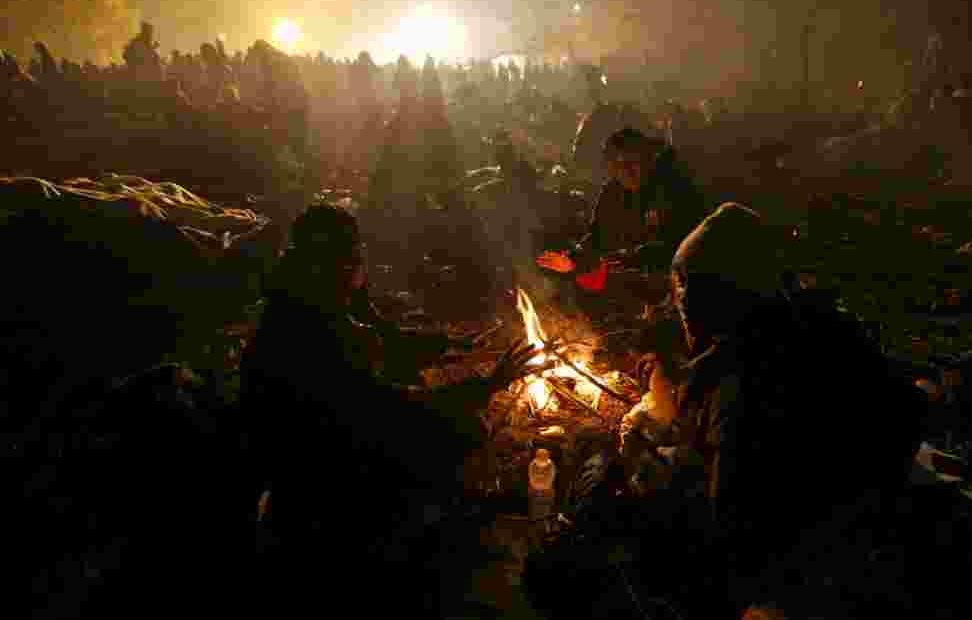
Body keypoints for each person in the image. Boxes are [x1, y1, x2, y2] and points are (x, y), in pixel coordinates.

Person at [524, 203, 928, 619]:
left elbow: (731, 528)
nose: (681, 305)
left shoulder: (741, 382)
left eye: (686, 291)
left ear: (713, 295)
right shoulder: (820, 324)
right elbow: (909, 408)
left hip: (778, 566)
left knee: (600, 452)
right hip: (857, 518)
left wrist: (642, 452)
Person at [240, 203, 547, 613]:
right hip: (317, 469)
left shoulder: (306, 292)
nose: (358, 261)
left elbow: (379, 339)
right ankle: (407, 537)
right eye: (352, 252)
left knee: (445, 414)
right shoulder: (309, 322)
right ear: (333, 257)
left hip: (319, 440)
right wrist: (487, 385)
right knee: (461, 431)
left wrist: (447, 345)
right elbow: (389, 406)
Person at [536, 127, 706, 299]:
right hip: (656, 289)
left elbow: (683, 242)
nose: (626, 172)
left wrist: (634, 258)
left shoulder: (674, 183)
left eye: (631, 163)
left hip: (697, 279)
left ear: (646, 158)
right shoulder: (613, 193)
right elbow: (597, 238)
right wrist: (573, 262)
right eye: (617, 166)